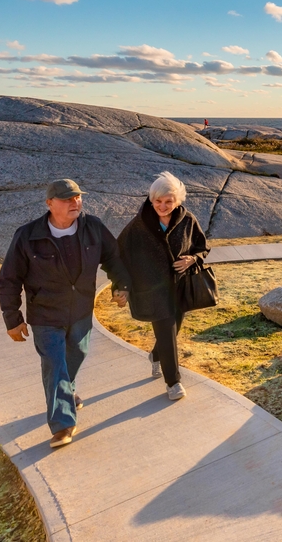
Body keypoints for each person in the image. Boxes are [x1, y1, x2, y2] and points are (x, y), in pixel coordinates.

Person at [0, 179, 132, 448]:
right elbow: (9, 278)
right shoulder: (27, 235)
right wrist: (13, 318)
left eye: (78, 197)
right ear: (49, 203)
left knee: (74, 357)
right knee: (54, 365)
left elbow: (114, 257)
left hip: (81, 311)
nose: (75, 203)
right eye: (67, 199)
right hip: (45, 315)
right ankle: (63, 426)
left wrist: (121, 285)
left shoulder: (92, 227)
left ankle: (67, 392)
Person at [117, 172, 210, 402]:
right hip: (152, 291)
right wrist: (122, 286)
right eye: (158, 201)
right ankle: (173, 382)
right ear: (151, 199)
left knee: (173, 328)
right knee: (167, 332)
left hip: (180, 287)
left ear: (177, 201)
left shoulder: (188, 220)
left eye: (168, 201)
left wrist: (192, 259)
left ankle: (156, 355)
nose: (163, 206)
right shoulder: (138, 225)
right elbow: (118, 254)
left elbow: (202, 247)